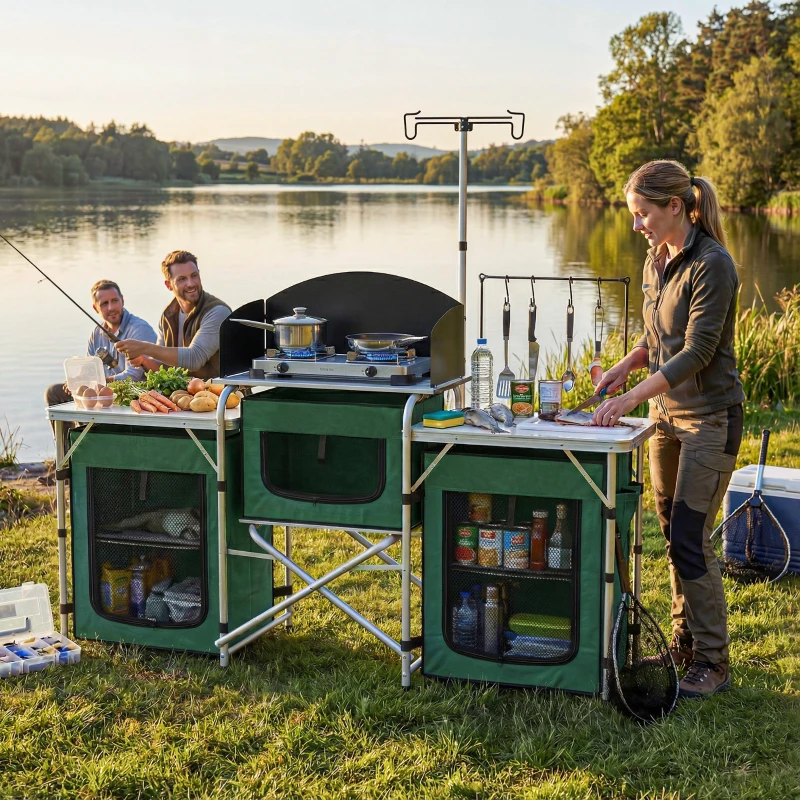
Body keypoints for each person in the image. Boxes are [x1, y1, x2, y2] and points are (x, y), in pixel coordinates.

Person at [592, 160, 744, 699]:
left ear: (675, 206)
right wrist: (623, 367)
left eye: (643, 214)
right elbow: (656, 338)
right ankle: (683, 643)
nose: (637, 225)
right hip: (666, 419)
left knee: (689, 538)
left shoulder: (713, 264)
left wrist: (632, 398)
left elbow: (698, 351)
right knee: (672, 531)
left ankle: (713, 661)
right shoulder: (656, 259)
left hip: (710, 419)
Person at [116, 250, 231, 379]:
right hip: (186, 390)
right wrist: (144, 360)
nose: (191, 283)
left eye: (194, 276)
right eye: (182, 279)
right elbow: (162, 366)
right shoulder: (168, 316)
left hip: (223, 390)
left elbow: (195, 359)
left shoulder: (218, 311)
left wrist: (144, 347)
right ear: (169, 285)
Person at [44, 279, 157, 409]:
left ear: (122, 300)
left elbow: (133, 376)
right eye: (104, 303)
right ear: (95, 308)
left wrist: (102, 382)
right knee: (54, 392)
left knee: (89, 395)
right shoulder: (96, 334)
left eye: (114, 301)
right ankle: (75, 423)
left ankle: (87, 420)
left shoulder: (139, 329)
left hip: (134, 394)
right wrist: (76, 380)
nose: (111, 308)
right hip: (103, 393)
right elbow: (88, 370)